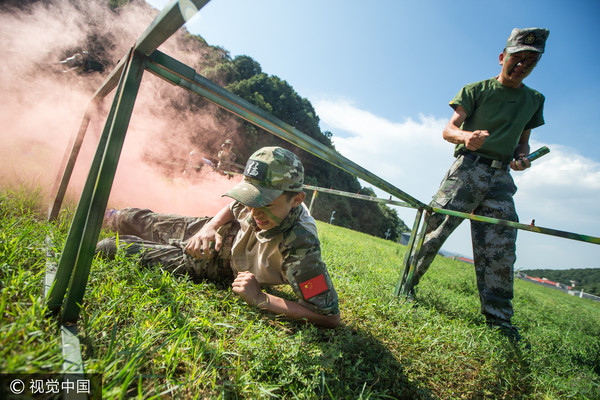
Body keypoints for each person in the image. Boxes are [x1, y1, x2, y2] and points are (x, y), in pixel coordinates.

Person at [408, 28, 550, 341]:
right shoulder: (476, 90)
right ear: (503, 57)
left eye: (531, 60)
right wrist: (466, 138)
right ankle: (405, 287)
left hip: (501, 179)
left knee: (500, 245)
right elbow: (449, 129)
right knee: (435, 230)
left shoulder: (534, 100)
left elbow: (522, 144)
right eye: (517, 57)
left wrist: (522, 158)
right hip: (468, 169)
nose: (521, 64)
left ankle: (499, 322)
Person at [97, 146, 340, 328]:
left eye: (264, 202)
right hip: (211, 232)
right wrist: (209, 227)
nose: (254, 211)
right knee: (128, 218)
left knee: (110, 248)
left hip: (214, 263)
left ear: (296, 199)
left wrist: (260, 298)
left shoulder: (302, 250)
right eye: (251, 198)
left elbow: (329, 316)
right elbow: (235, 204)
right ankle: (98, 214)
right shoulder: (261, 202)